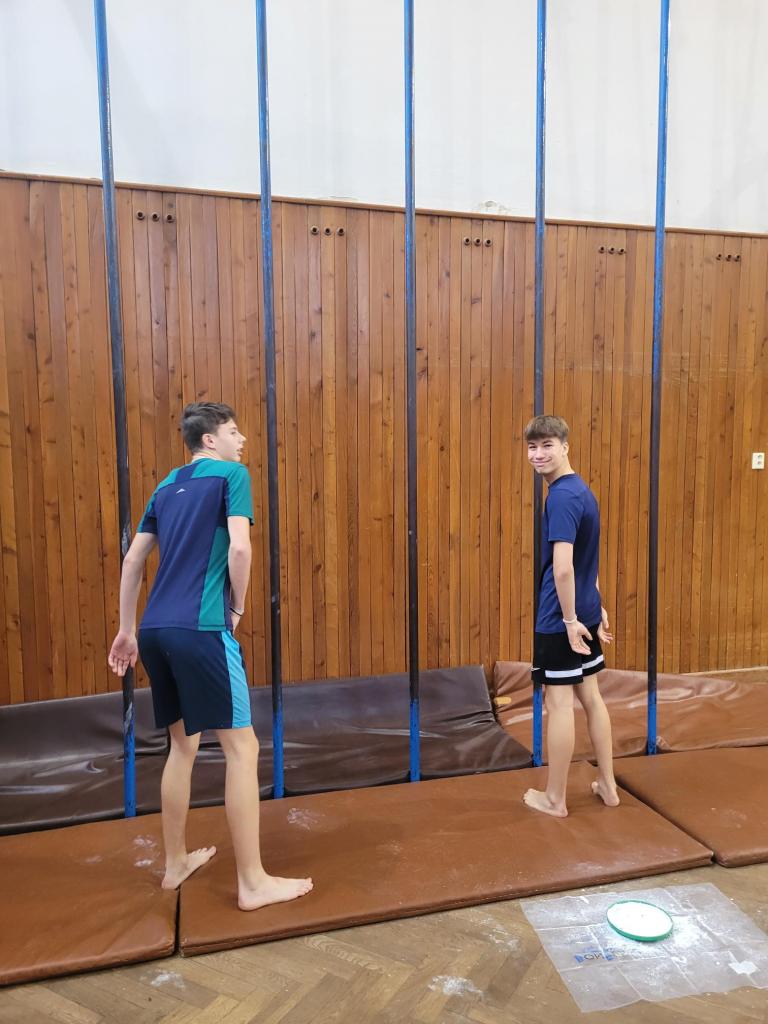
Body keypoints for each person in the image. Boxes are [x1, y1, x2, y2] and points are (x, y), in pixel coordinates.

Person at [108, 401, 313, 910]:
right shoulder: (232, 476)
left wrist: (126, 630)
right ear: (209, 440)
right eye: (233, 432)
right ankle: (252, 883)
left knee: (183, 747)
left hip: (155, 630)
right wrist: (237, 607)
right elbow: (240, 549)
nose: (241, 441)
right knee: (243, 749)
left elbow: (133, 560)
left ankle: (175, 863)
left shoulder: (165, 485)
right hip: (200, 629)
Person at [522, 414, 618, 818]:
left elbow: (563, 568)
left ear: (565, 447)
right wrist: (595, 604)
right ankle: (608, 786)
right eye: (532, 447)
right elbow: (587, 559)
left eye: (547, 445)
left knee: (559, 704)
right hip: (584, 611)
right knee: (592, 698)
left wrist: (568, 620)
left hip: (561, 617)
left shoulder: (561, 497)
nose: (538, 454)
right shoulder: (582, 491)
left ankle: (555, 799)